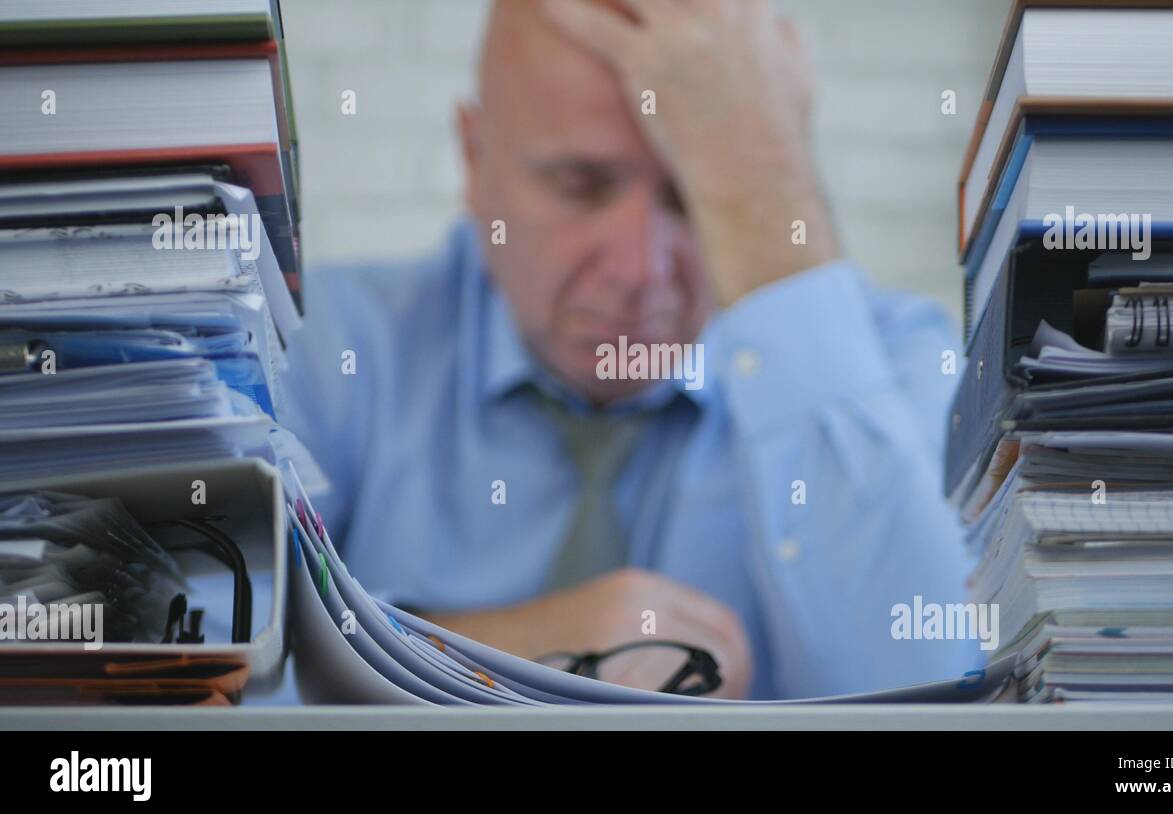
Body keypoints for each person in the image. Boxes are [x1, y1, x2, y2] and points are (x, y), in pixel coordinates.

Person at [282, 0, 982, 700]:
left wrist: (764, 195)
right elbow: (196, 679)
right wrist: (508, 656)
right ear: (474, 158)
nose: (641, 268)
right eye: (582, 185)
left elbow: (937, 691)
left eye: (696, 194)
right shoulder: (323, 344)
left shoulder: (889, 364)